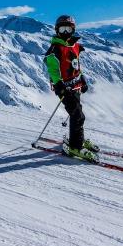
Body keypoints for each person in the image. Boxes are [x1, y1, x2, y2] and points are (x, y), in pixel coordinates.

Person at [43, 15, 98, 161]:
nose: (66, 32)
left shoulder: (73, 45)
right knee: (77, 116)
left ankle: (78, 139)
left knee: (78, 115)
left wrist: (82, 80)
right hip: (65, 89)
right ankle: (75, 147)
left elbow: (75, 67)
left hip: (75, 87)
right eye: (63, 29)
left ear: (73, 30)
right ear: (57, 30)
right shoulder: (55, 49)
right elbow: (53, 71)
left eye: (69, 29)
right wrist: (59, 86)